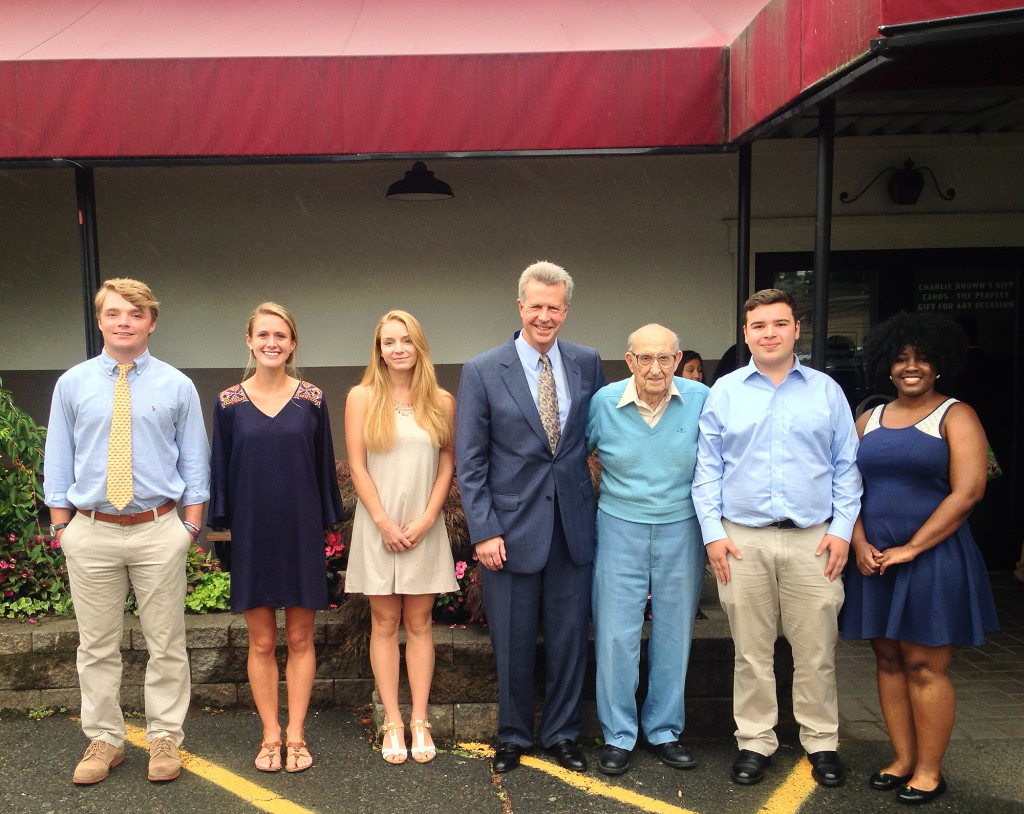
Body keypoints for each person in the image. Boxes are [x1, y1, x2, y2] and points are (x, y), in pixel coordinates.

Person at [43, 278, 210, 785]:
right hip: (90, 530)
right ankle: (105, 740)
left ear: (151, 323)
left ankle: (164, 738)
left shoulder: (178, 386)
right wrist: (62, 529)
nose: (124, 322)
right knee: (95, 645)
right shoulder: (72, 384)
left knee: (167, 642)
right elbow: (58, 459)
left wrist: (189, 527)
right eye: (114, 313)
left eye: (135, 315)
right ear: (100, 321)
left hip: (158, 528)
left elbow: (195, 461)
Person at [693, 288, 862, 788]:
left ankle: (821, 741)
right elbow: (706, 470)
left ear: (796, 330)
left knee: (817, 651)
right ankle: (755, 740)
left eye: (779, 324)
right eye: (759, 326)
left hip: (814, 541)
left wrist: (841, 532)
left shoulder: (826, 391)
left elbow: (846, 469)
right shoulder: (724, 392)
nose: (769, 333)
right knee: (751, 652)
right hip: (743, 541)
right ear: (746, 334)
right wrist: (712, 536)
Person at [840, 311, 998, 805]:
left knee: (926, 664)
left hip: (932, 556)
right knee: (887, 659)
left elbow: (968, 492)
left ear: (939, 365)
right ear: (887, 366)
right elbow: (847, 488)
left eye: (923, 359)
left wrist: (912, 547)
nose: (912, 367)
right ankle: (902, 759)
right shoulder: (869, 417)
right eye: (901, 359)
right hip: (876, 558)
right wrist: (859, 543)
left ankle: (931, 770)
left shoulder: (957, 414)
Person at [455, 261, 606, 773]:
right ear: (520, 307)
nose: (545, 316)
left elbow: (594, 441)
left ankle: (563, 734)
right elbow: (470, 461)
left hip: (572, 528)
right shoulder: (481, 369)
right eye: (536, 306)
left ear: (566, 310)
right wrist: (484, 530)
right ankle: (513, 736)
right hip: (509, 532)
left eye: (554, 307)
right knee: (513, 645)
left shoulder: (587, 363)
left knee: (569, 642)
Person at [209, 303, 344, 774]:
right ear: (249, 341)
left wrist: (328, 522)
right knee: (262, 642)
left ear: (293, 343)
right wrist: (222, 528)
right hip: (251, 533)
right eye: (263, 334)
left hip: (300, 530)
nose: (272, 342)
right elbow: (220, 472)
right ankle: (270, 735)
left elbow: (324, 465)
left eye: (281, 335)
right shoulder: (228, 402)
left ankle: (297, 734)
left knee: (302, 637)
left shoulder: (312, 399)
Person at [586, 324, 708, 775]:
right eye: (645, 358)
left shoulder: (700, 399)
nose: (655, 367)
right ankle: (618, 734)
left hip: (682, 525)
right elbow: (573, 457)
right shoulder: (603, 403)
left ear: (678, 360)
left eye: (664, 358)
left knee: (675, 632)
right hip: (619, 525)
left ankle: (664, 730)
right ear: (630, 360)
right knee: (616, 635)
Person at [344, 310, 458, 766]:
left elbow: (447, 465)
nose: (398, 349)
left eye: (406, 340)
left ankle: (420, 720)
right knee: (384, 623)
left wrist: (429, 518)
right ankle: (392, 719)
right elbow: (357, 466)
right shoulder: (361, 397)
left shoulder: (442, 401)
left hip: (424, 527)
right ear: (379, 349)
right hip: (379, 526)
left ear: (419, 347)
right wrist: (384, 522)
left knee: (421, 623)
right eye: (389, 341)